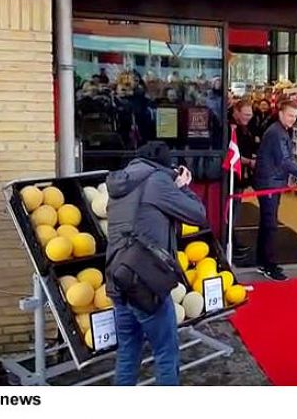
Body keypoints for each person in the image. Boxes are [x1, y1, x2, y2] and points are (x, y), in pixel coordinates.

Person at [104, 142, 207, 385]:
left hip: (117, 277)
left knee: (128, 352)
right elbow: (198, 214)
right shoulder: (158, 182)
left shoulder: (120, 182)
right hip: (145, 281)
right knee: (166, 354)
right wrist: (183, 188)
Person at [252, 100, 297, 281]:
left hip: (271, 182)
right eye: (290, 115)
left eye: (295, 116)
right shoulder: (277, 133)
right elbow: (284, 161)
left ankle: (262, 261)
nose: (292, 120)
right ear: (280, 113)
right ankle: (269, 265)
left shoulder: (279, 131)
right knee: (270, 224)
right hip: (269, 184)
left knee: (267, 223)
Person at [228, 99, 258, 260]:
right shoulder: (230, 129)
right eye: (246, 114)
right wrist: (249, 162)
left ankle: (232, 239)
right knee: (230, 211)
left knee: (236, 210)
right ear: (236, 112)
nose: (249, 117)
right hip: (231, 176)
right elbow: (230, 154)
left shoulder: (246, 128)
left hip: (241, 177)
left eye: (250, 114)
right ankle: (229, 242)